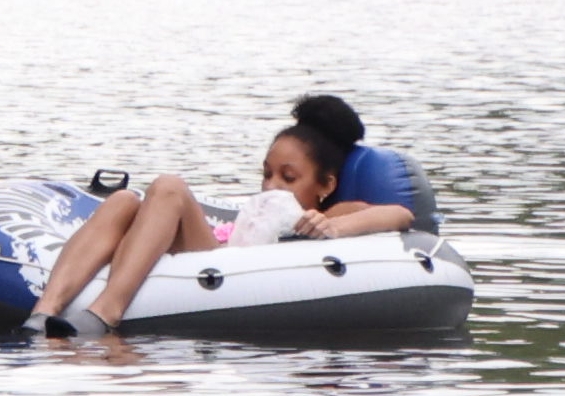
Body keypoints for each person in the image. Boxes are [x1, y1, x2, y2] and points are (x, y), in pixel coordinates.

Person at [37, 94, 430, 332]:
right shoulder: (259, 210)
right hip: (218, 251)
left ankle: (107, 310)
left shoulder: (329, 211)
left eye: (288, 177)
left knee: (169, 186)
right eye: (267, 174)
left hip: (229, 268)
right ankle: (44, 309)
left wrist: (335, 224)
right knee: (123, 200)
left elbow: (397, 215)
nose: (272, 186)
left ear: (325, 185)